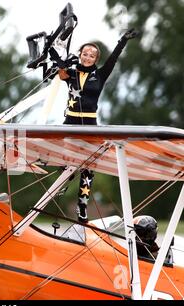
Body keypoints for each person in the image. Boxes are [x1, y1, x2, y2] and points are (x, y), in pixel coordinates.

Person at [57, 28, 139, 222]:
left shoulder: (100, 75)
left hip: (90, 123)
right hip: (70, 121)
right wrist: (61, 63)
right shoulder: (71, 73)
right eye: (85, 54)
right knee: (63, 156)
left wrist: (122, 41)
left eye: (92, 55)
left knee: (90, 165)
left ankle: (82, 205)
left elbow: (114, 59)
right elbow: (60, 74)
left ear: (96, 59)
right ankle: (65, 174)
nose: (87, 57)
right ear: (80, 55)